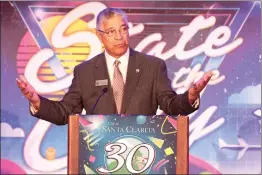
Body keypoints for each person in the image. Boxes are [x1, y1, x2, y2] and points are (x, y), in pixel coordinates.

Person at [16, 8, 212, 125]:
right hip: (100, 156)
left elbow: (170, 105)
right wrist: (37, 102)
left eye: (123, 29)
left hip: (142, 153)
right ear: (99, 36)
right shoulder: (84, 72)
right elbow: (66, 112)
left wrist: (190, 97)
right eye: (111, 32)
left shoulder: (152, 66)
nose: (119, 37)